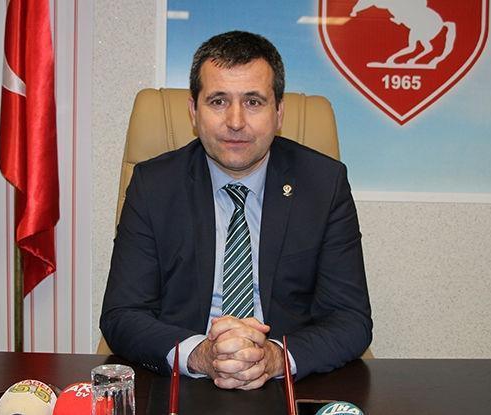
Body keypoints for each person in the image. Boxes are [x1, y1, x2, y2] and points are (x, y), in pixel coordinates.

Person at [100, 31, 372, 390]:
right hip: (184, 379)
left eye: (253, 102)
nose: (235, 121)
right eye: (218, 101)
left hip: (287, 382)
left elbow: (351, 319)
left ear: (279, 113)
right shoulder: (154, 185)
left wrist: (274, 357)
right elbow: (121, 314)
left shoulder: (324, 184)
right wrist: (201, 354)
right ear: (193, 111)